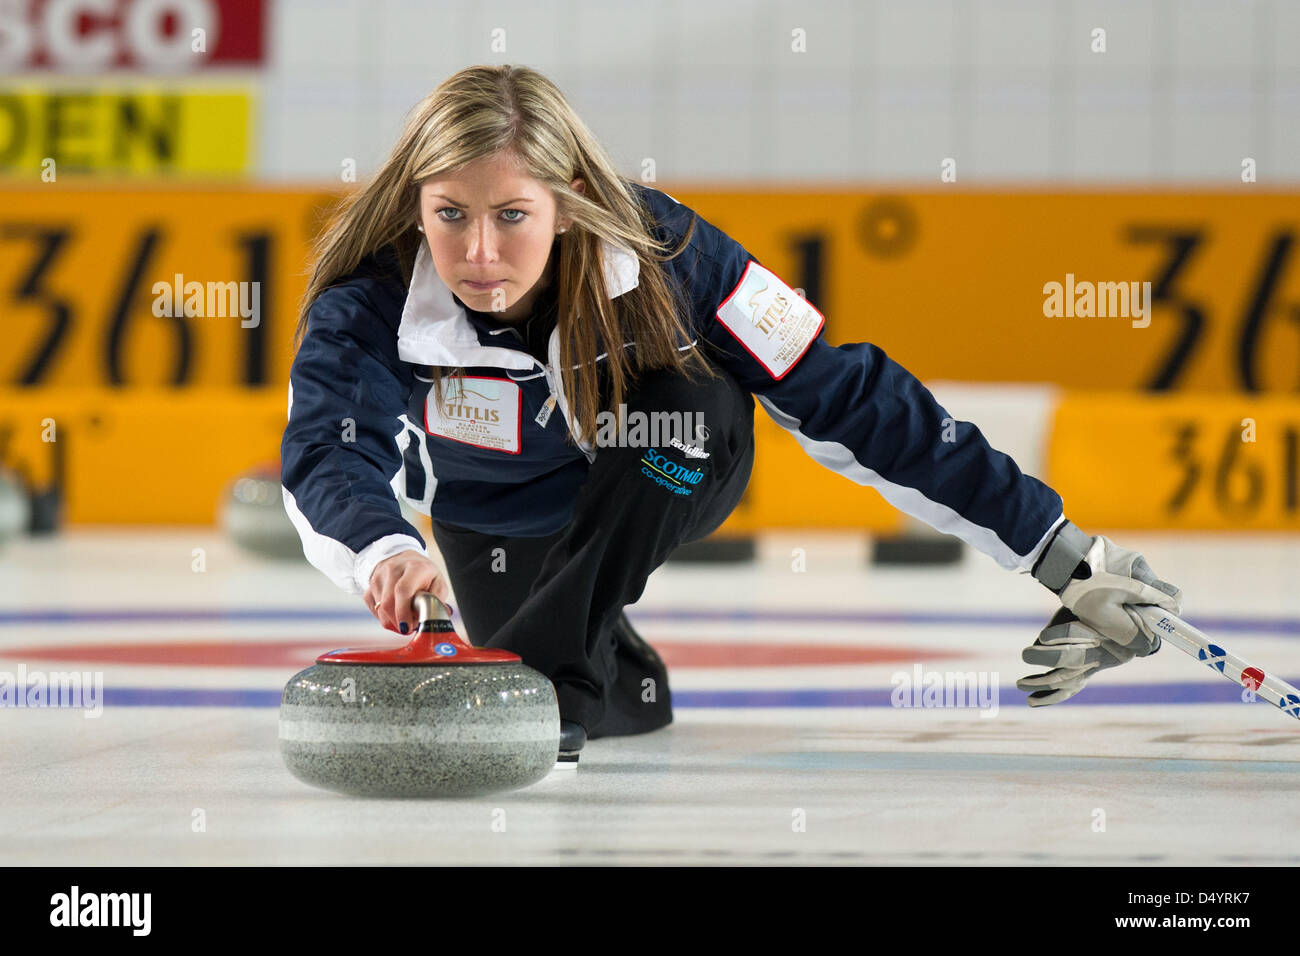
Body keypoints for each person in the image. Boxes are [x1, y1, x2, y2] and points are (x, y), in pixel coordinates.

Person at [280, 65, 1183, 759]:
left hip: (664, 469)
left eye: (512, 214)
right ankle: (588, 649)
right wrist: (387, 552)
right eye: (450, 215)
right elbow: (328, 450)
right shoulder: (370, 301)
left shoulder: (670, 253)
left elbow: (854, 401)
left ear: (571, 203)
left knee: (691, 416)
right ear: (416, 207)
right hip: (492, 516)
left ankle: (546, 684)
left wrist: (1062, 557)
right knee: (630, 711)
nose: (479, 252)